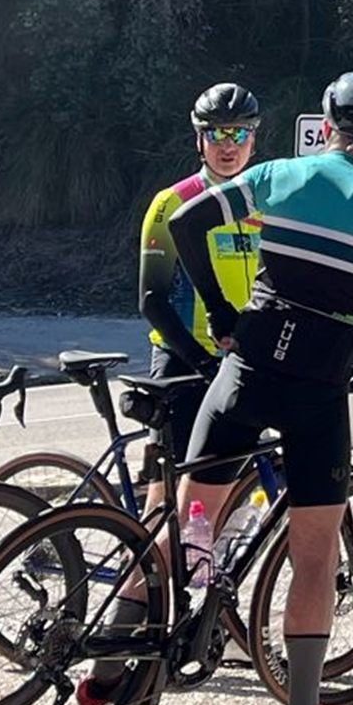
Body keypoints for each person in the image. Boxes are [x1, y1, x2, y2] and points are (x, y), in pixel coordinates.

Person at [151, 70, 353, 705]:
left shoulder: (279, 173)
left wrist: (221, 310)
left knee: (182, 527)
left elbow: (188, 221)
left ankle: (103, 676)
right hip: (316, 385)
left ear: (327, 121)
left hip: (245, 368)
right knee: (313, 558)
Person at [134, 81, 264, 502]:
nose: (229, 146)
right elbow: (151, 300)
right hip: (185, 361)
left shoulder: (265, 203)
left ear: (253, 139)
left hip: (243, 359)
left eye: (239, 134)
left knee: (238, 485)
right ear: (199, 139)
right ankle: (142, 565)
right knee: (169, 494)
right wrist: (201, 361)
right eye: (217, 134)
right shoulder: (172, 202)